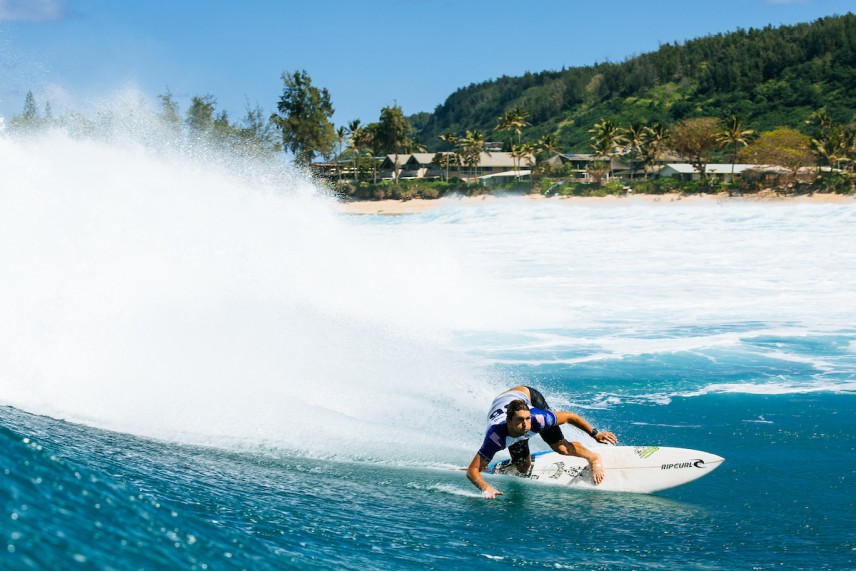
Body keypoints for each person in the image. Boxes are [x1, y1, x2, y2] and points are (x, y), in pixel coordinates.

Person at [466, 385, 617, 498]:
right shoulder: (495, 437)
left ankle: (593, 457)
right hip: (503, 402)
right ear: (509, 422)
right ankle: (510, 463)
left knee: (562, 448)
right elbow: (471, 471)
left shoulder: (538, 418)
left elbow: (570, 417)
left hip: (527, 395)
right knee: (523, 468)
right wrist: (486, 488)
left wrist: (595, 434)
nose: (526, 424)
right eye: (520, 421)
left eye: (527, 419)